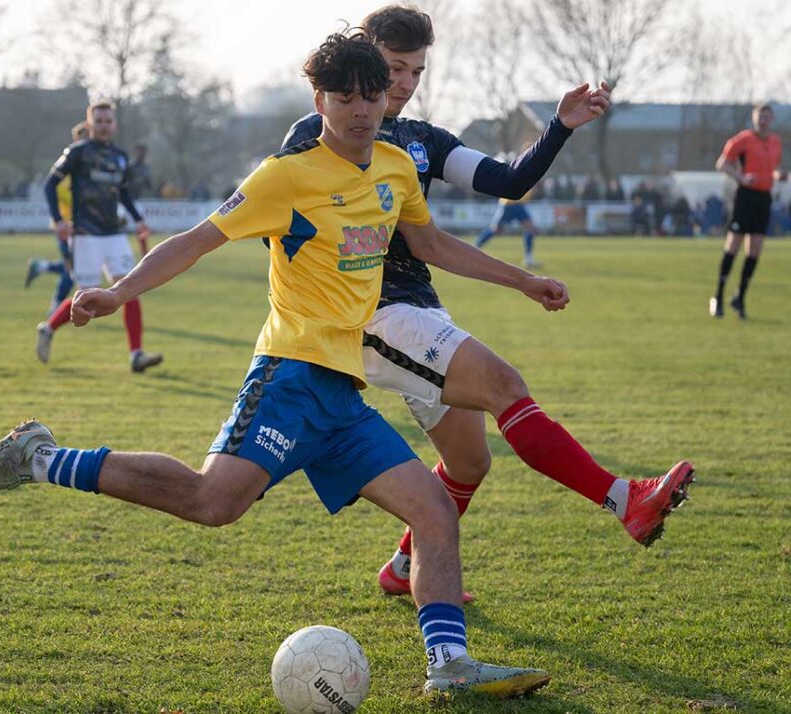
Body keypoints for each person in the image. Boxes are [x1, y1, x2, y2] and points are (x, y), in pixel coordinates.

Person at [0, 31, 558, 697]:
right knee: (213, 503)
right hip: (289, 376)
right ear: (318, 98)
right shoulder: (284, 176)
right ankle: (38, 457)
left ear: (388, 98)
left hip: (344, 397)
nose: (360, 109)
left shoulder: (394, 169)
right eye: (343, 96)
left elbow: (430, 242)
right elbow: (197, 239)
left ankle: (450, 669)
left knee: (434, 513)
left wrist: (521, 280)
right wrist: (120, 291)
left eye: (372, 95)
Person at [281, 6, 693, 602]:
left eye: (416, 71)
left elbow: (505, 181)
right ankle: (626, 499)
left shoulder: (421, 142)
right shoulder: (316, 132)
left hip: (418, 311)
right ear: (361, 58)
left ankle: (404, 567)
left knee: (469, 464)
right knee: (505, 384)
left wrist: (559, 128)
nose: (403, 84)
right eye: (394, 68)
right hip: (371, 315)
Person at [37, 104, 161, 372]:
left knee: (129, 290)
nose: (104, 125)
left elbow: (124, 193)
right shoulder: (77, 153)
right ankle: (48, 328)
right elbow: (49, 184)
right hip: (85, 234)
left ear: (114, 125)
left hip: (114, 233)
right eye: (99, 120)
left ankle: (136, 354)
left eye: (108, 120)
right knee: (87, 299)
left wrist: (138, 220)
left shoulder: (119, 156)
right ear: (90, 123)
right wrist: (59, 220)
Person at [710, 103, 787, 320]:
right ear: (754, 119)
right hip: (745, 196)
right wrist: (741, 177)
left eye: (766, 117)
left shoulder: (775, 142)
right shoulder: (743, 140)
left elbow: (771, 169)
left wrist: (777, 175)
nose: (763, 121)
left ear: (771, 119)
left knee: (755, 249)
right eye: (759, 117)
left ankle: (740, 298)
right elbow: (722, 163)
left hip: (764, 198)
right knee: (733, 245)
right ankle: (718, 297)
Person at [25, 121, 88, 316]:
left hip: (85, 228)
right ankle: (56, 309)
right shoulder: (68, 171)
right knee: (73, 270)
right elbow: (53, 191)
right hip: (67, 228)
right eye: (84, 138)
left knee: (77, 267)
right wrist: (63, 220)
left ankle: (41, 266)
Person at [475, 188, 540, 268]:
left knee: (530, 229)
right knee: (495, 229)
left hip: (515, 203)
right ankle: (474, 249)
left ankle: (528, 259)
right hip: (511, 203)